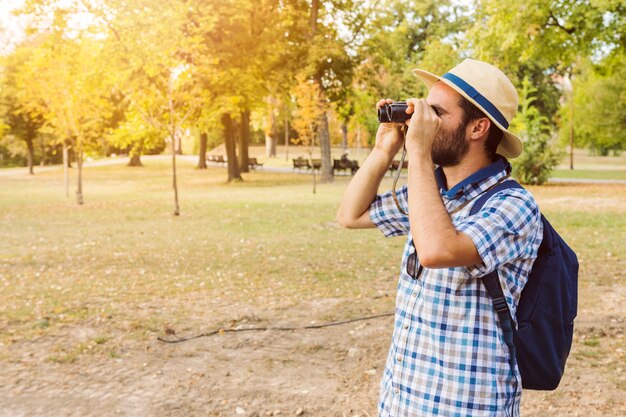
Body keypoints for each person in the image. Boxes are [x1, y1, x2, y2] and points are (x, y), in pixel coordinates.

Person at [336, 59, 543, 416]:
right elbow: (350, 215)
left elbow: (436, 249)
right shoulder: (433, 193)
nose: (423, 121)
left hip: (465, 405)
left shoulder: (513, 204)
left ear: (478, 128)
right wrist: (384, 149)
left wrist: (417, 150)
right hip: (405, 400)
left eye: (435, 113)